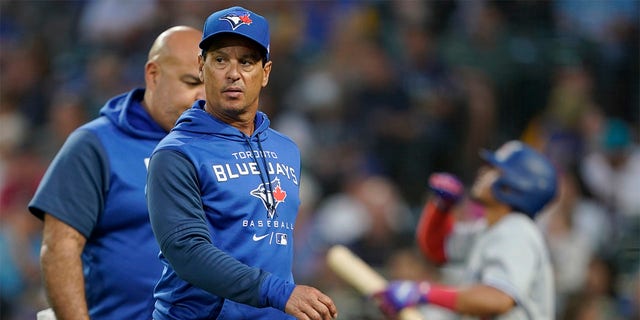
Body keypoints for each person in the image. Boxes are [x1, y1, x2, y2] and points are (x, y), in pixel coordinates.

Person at [145, 6, 338, 320]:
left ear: (265, 73)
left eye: (246, 61)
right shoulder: (176, 154)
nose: (233, 73)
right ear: (201, 67)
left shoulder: (287, 149)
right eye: (221, 60)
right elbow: (187, 252)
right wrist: (280, 292)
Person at [28, 26, 205, 320]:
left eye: (209, 86)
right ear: (153, 74)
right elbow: (60, 248)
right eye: (190, 82)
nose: (202, 99)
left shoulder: (219, 146)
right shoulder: (96, 144)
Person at [374, 140, 558, 319]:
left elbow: (498, 298)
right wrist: (442, 208)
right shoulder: (490, 230)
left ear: (513, 187)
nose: (483, 172)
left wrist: (423, 293)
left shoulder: (517, 232)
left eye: (494, 170)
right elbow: (437, 249)